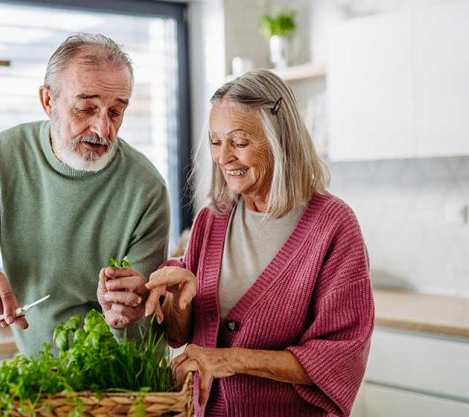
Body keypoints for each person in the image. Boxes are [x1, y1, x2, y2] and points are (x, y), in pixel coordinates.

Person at [0, 33, 170, 357]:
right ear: (47, 101)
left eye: (115, 112)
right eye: (86, 108)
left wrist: (125, 318)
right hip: (39, 374)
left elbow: (149, 328)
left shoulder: (146, 188)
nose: (103, 129)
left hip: (122, 380)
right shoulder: (3, 157)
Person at [145, 69, 374, 417]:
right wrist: (179, 304)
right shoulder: (212, 219)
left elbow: (339, 356)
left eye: (239, 142)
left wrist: (231, 360)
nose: (223, 158)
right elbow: (181, 335)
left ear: (280, 140)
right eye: (215, 141)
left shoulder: (333, 226)